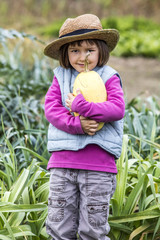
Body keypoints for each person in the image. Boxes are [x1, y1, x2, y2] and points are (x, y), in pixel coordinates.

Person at [44, 13, 125, 240]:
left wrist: (83, 106)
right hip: (63, 164)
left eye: (89, 50)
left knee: (93, 230)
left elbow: (116, 109)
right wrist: (77, 124)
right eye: (75, 51)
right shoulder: (60, 76)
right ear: (65, 53)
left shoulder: (109, 77)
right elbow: (52, 110)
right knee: (59, 227)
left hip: (98, 166)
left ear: (101, 50)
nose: (83, 57)